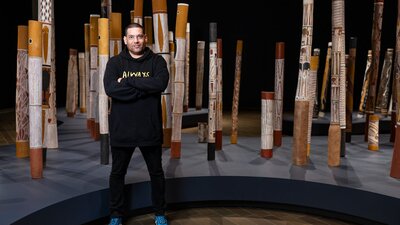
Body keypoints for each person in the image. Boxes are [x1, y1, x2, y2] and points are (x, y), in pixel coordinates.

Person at [103, 23, 169, 225]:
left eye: (139, 36)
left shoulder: (157, 61)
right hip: (122, 129)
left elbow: (160, 84)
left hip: (149, 128)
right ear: (125, 40)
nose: (136, 41)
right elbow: (111, 89)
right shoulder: (115, 63)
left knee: (156, 173)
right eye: (131, 37)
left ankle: (159, 213)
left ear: (146, 38)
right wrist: (145, 88)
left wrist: (128, 82)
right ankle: (116, 215)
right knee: (117, 174)